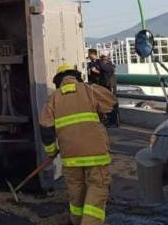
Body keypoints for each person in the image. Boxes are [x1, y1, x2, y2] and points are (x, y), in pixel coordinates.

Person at [40, 64, 116, 225]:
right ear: (75, 76)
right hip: (96, 153)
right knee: (98, 187)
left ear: (59, 81)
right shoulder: (89, 89)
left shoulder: (53, 98)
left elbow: (45, 129)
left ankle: (76, 220)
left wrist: (51, 151)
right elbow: (111, 103)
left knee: (76, 190)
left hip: (70, 156)